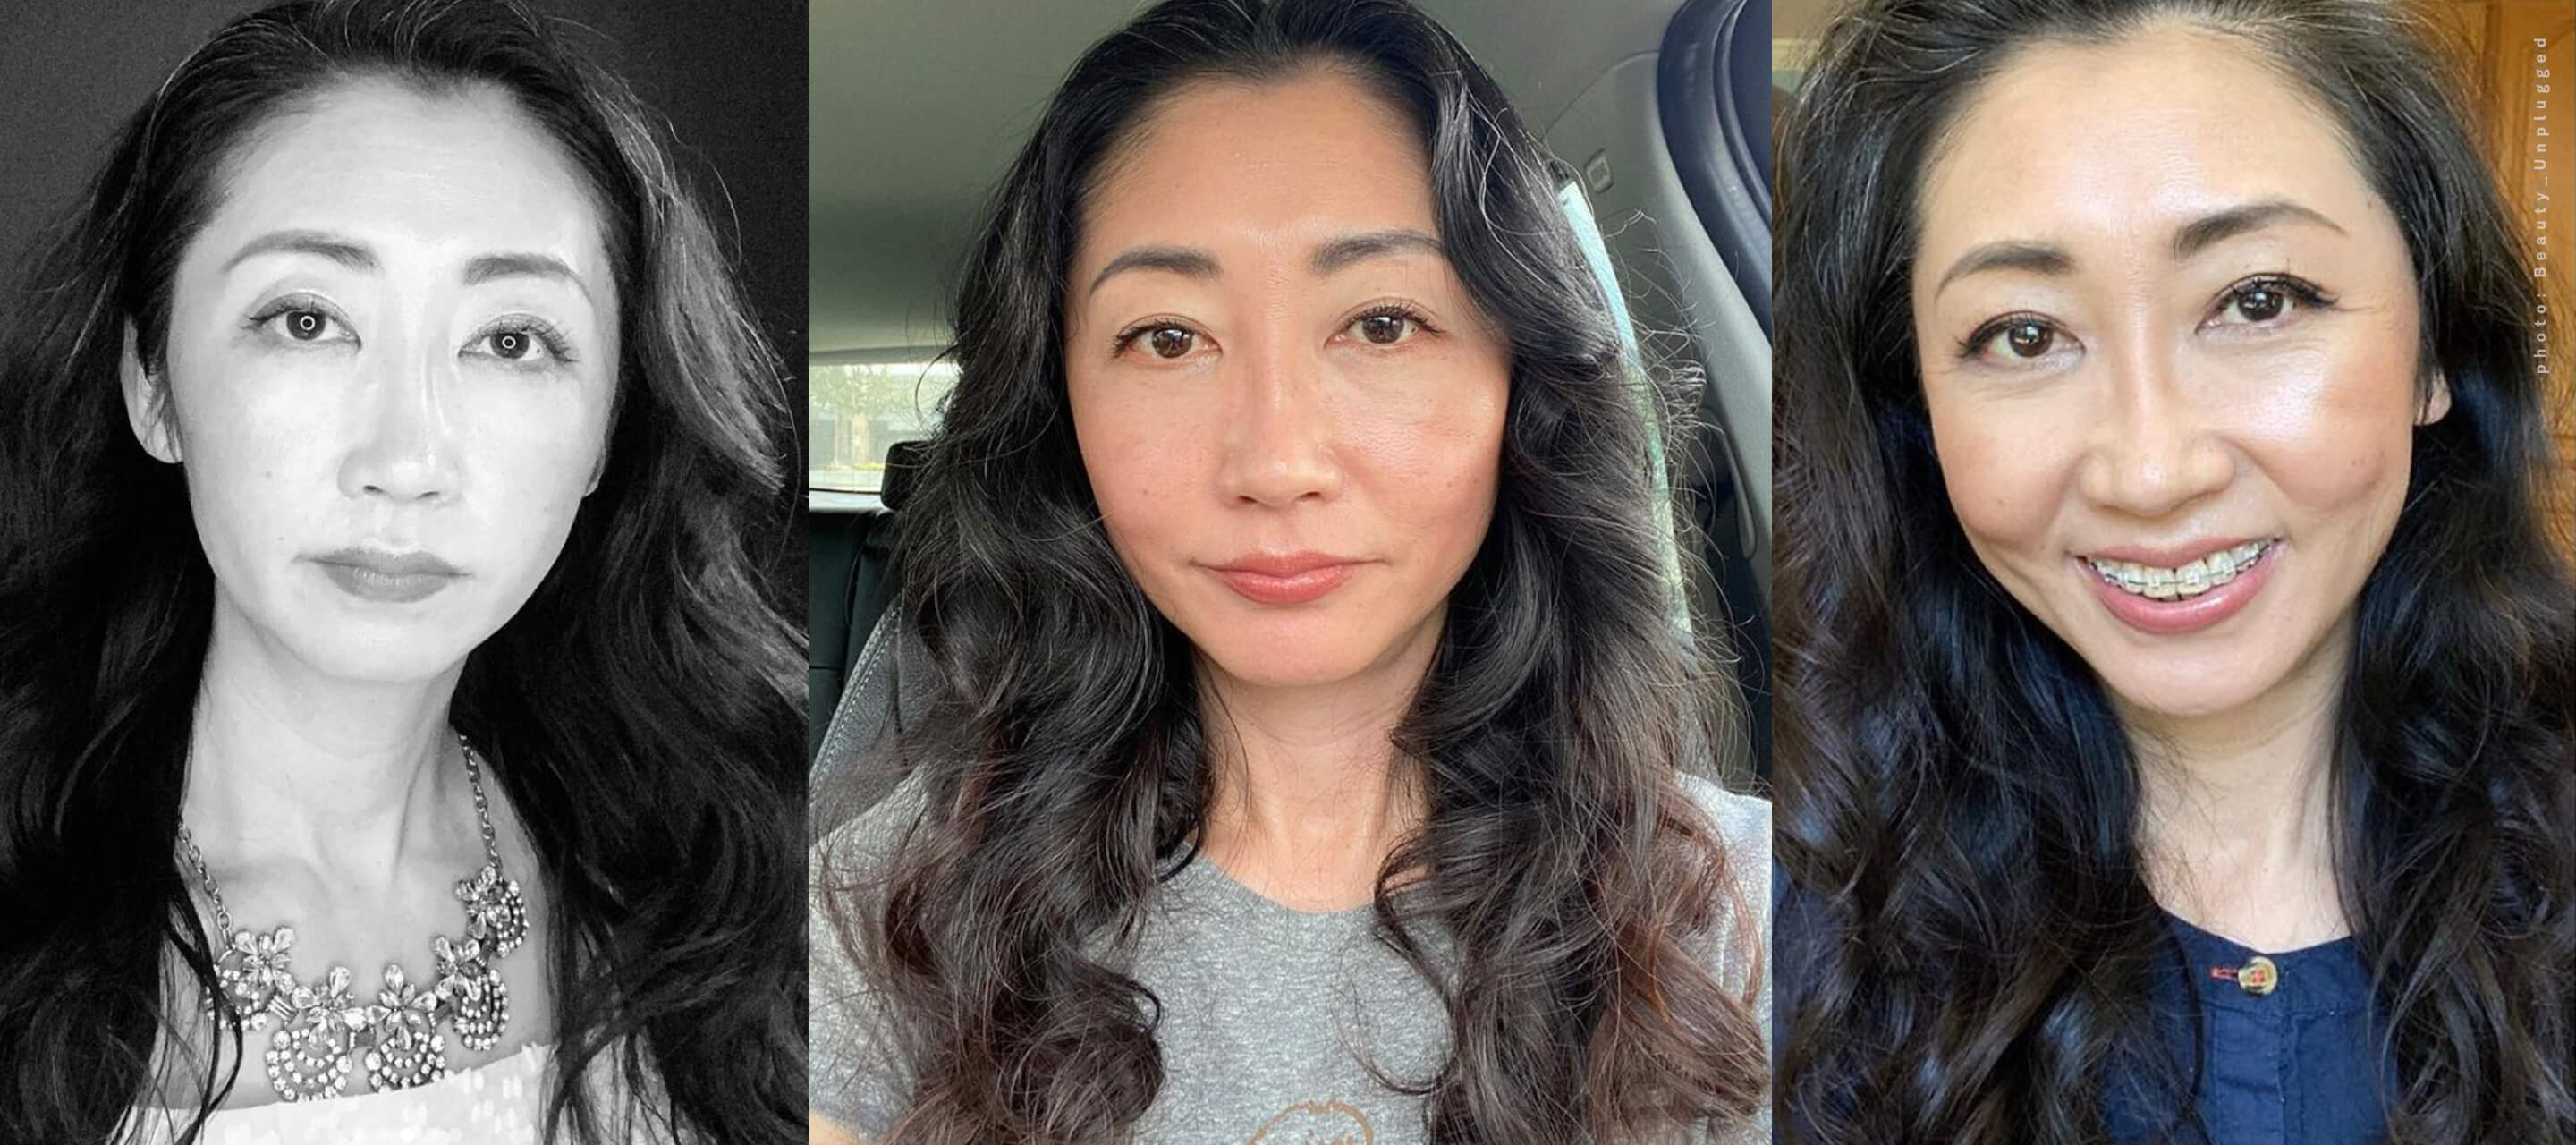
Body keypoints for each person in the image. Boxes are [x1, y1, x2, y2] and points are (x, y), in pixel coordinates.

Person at [807, 0, 1772, 1141]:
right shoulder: (886, 916)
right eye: (1168, 337)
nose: (1275, 462)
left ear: (1522, 382)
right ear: (1061, 412)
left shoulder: (1743, 916)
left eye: (1382, 323)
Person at [0, 1, 805, 1141]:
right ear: (154, 384)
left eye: (511, 340)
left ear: (605, 433)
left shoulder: (720, 878)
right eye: (307, 319)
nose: (407, 461)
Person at [1771, 0, 2575, 1140]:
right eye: (2024, 334)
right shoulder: (1782, 929)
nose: (2150, 471)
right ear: (1921, 413)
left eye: (2258, 300)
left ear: (2434, 349)